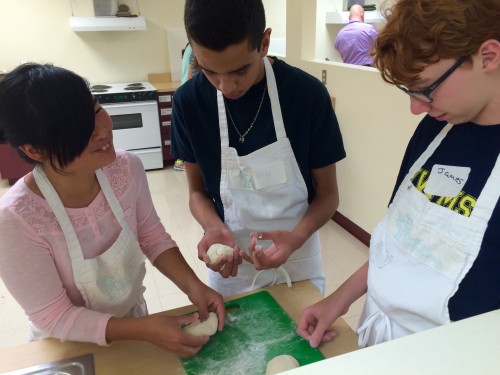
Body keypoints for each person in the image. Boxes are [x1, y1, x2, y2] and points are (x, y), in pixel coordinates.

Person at [298, 0, 500, 349]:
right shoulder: (435, 129)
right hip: (380, 342)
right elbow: (401, 239)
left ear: (489, 56)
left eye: (425, 88)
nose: (415, 108)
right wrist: (340, 299)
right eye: (408, 91)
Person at [0, 63, 225, 357]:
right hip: (67, 345)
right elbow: (54, 316)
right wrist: (146, 329)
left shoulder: (126, 169)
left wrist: (195, 287)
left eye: (95, 111)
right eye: (79, 130)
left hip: (132, 327)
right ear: (35, 150)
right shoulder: (15, 218)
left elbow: (152, 237)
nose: (102, 131)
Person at [171, 0, 345, 297]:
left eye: (240, 71)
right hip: (232, 268)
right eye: (211, 72)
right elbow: (197, 192)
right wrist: (214, 229)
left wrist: (295, 238)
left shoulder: (307, 96)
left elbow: (328, 195)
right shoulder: (189, 103)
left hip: (298, 260)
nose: (226, 87)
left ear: (264, 43)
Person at [175, 43, 201, 172]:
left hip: (187, 88)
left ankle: (182, 160)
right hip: (192, 94)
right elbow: (191, 74)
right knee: (191, 134)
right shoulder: (196, 48)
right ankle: (182, 161)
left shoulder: (189, 47)